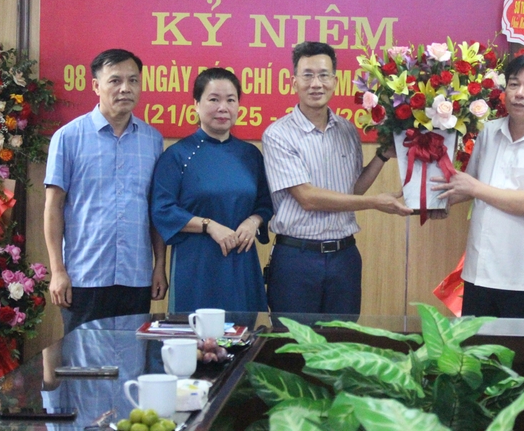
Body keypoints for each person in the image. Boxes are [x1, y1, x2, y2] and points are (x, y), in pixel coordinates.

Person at [262, 41, 412, 315]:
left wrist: (382, 156)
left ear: (335, 80)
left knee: (342, 347)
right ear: (293, 81)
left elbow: (352, 189)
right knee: (292, 348)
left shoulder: (347, 130)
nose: (316, 83)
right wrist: (375, 203)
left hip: (345, 258)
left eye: (323, 75)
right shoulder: (277, 134)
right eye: (307, 75)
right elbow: (307, 198)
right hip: (297, 258)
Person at [432, 53, 524, 319]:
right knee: (476, 356)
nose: (519, 93)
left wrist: (475, 189)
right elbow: (467, 185)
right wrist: (430, 200)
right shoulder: (489, 132)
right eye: (513, 84)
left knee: (521, 360)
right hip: (479, 273)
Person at [44, 49, 167, 332]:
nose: (126, 88)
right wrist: (58, 271)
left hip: (135, 277)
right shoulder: (68, 137)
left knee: (132, 362)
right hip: (85, 276)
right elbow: (53, 207)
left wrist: (159, 265)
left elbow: (156, 209)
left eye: (133, 80)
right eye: (115, 81)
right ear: (96, 86)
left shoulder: (153, 141)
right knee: (83, 365)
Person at [150, 68, 273, 312]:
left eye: (230, 100)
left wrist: (253, 221)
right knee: (198, 342)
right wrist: (209, 226)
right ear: (196, 104)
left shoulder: (250, 155)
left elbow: (266, 203)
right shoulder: (177, 155)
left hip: (242, 263)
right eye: (213, 99)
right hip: (196, 265)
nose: (222, 108)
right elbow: (162, 210)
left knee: (245, 339)